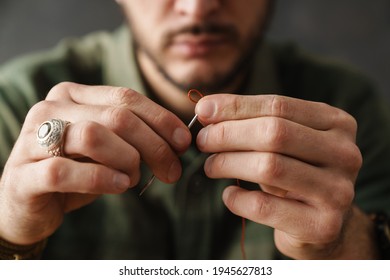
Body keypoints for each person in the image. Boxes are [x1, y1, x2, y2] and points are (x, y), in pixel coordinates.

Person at [0, 0, 390, 260]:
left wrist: (346, 244)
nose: (197, 7)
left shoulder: (345, 106)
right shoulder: (19, 103)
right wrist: (12, 235)